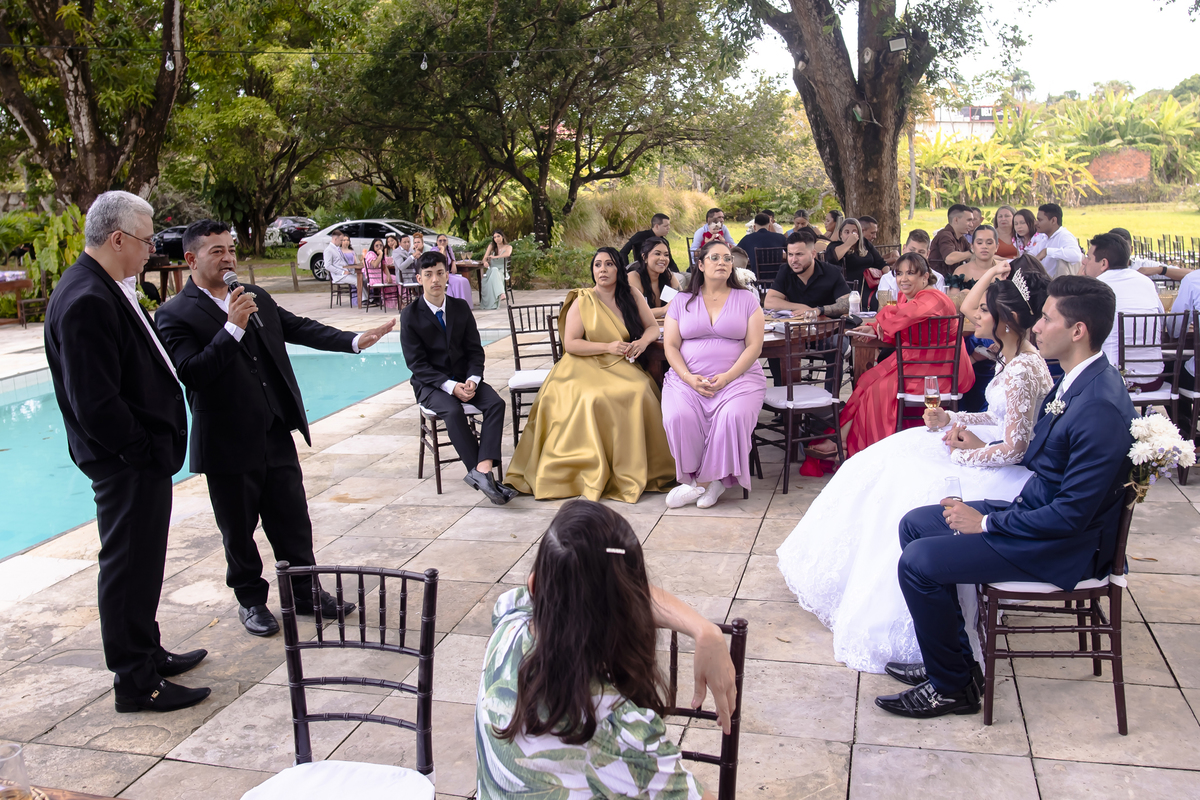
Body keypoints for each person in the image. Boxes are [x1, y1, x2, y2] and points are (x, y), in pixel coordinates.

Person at [878, 276, 1136, 718]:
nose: (1036, 327)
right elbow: (1036, 453)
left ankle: (951, 689)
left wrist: (987, 523)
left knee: (918, 563)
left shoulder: (1099, 405)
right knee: (916, 523)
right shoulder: (1078, 380)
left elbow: (1072, 515)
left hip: (1059, 547)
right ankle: (957, 667)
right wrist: (979, 447)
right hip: (1035, 517)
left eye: (1048, 318)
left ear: (1078, 331)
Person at [778, 261, 1052, 673]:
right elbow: (1000, 418)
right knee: (885, 458)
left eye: (983, 313)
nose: (974, 315)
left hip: (1006, 470)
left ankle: (918, 613)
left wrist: (965, 452)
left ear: (1006, 322)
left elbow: (1016, 447)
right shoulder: (1012, 358)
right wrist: (954, 420)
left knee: (906, 483)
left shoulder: (1025, 368)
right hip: (985, 447)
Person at [155, 220, 395, 637]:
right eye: (217, 251)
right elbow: (192, 373)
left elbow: (298, 327)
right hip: (227, 443)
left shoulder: (254, 296)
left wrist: (354, 340)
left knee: (293, 520)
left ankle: (305, 592)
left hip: (273, 430)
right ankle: (251, 601)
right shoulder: (174, 314)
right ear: (191, 259)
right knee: (238, 530)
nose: (229, 258)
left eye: (231, 249)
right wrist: (232, 327)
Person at [44, 191, 210, 713]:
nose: (151, 251)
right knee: (126, 564)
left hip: (139, 460)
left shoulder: (106, 286)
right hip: (126, 463)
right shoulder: (86, 299)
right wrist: (143, 451)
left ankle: (147, 649)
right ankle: (135, 681)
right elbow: (94, 402)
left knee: (144, 562)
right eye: (146, 240)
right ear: (117, 239)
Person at [475, 499, 736, 800]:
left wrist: (706, 632)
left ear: (534, 587)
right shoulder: (616, 732)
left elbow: (574, 585)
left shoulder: (509, 624)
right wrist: (703, 629)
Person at [506, 248, 675, 502]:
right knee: (593, 396)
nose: (603, 270)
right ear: (592, 270)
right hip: (583, 363)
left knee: (640, 390)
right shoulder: (582, 299)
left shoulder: (631, 294)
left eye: (608, 264)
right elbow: (571, 343)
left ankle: (636, 468)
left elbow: (652, 326)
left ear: (619, 268)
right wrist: (607, 346)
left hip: (621, 363)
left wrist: (641, 342)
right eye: (598, 265)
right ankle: (588, 471)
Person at [399, 250, 511, 504]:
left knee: (496, 403)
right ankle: (484, 476)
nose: (435, 280)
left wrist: (473, 378)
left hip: (464, 377)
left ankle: (482, 471)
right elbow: (416, 364)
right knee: (452, 410)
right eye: (428, 275)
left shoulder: (460, 307)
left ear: (447, 274)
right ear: (419, 278)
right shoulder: (410, 315)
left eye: (440, 273)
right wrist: (451, 387)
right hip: (431, 385)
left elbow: (474, 350)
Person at [661, 240, 766, 509]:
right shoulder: (681, 301)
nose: (723, 263)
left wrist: (728, 377)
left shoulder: (747, 299)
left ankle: (705, 484)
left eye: (728, 259)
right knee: (678, 416)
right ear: (700, 264)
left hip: (738, 380)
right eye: (715, 258)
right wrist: (687, 377)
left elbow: (754, 345)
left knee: (732, 415)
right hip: (687, 380)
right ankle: (704, 483)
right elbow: (670, 345)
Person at [838, 253, 974, 457]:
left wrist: (881, 319)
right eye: (899, 273)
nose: (903, 279)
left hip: (938, 372)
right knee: (866, 380)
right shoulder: (911, 297)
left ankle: (870, 450)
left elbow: (903, 315)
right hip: (918, 361)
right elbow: (902, 324)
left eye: (910, 273)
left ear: (925, 277)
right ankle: (844, 441)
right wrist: (875, 327)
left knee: (878, 389)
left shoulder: (934, 297)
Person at [1080, 232, 1164, 390]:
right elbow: (1163, 319)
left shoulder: (1094, 287)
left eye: (1089, 257)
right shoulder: (1146, 282)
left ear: (1104, 263)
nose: (1084, 261)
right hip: (1151, 378)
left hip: (1109, 381)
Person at [824, 218, 887, 309]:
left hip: (872, 285)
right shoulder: (835, 246)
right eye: (846, 232)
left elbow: (881, 263)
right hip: (851, 288)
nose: (850, 235)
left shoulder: (864, 244)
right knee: (876, 302)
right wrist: (849, 243)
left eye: (854, 232)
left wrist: (888, 278)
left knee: (889, 298)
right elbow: (833, 258)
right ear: (841, 234)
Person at [628, 236, 683, 319]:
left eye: (666, 255)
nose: (663, 258)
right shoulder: (633, 278)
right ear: (644, 257)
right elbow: (635, 313)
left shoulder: (668, 276)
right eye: (657, 254)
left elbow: (683, 303)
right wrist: (664, 310)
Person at [1110, 227, 1190, 282]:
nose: (1119, 253)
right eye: (1115, 249)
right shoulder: (1099, 270)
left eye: (1124, 249)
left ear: (1131, 250)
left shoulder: (1144, 266)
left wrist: (1159, 270)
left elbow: (1191, 275)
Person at [879, 230, 946, 295]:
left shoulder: (938, 279)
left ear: (928, 254)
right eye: (912, 250)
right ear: (904, 249)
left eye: (921, 252)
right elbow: (883, 305)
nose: (915, 256)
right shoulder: (887, 279)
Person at [1030, 202, 1083, 278]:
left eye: (1040, 220)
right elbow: (1031, 256)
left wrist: (1047, 251)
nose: (1036, 223)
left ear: (1053, 220)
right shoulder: (1044, 238)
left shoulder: (1064, 236)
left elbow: (1076, 255)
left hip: (1056, 286)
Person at [928, 205, 972, 279]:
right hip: (939, 283)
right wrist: (972, 252)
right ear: (956, 220)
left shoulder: (961, 238)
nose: (971, 224)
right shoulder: (944, 235)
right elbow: (950, 258)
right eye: (968, 220)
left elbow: (974, 257)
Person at [433, 233, 473, 308]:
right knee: (458, 281)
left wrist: (453, 263)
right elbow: (440, 261)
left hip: (449, 273)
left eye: (444, 240)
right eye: (440, 241)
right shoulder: (434, 250)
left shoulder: (449, 249)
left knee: (464, 280)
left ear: (447, 241)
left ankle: (466, 305)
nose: (442, 242)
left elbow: (452, 259)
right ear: (437, 242)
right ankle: (458, 306)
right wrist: (441, 250)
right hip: (440, 274)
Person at [479, 229, 512, 310]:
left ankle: (499, 296)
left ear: (502, 237)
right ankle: (501, 293)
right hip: (492, 270)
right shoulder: (491, 246)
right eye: (494, 237)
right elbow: (484, 259)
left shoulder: (508, 247)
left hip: (502, 271)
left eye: (498, 236)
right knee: (494, 270)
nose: (496, 239)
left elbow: (507, 254)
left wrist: (494, 257)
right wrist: (485, 262)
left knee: (496, 271)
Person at [323, 229, 357, 306]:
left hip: (346, 272)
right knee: (357, 280)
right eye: (341, 240)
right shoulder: (328, 250)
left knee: (363, 278)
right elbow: (327, 266)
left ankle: (368, 298)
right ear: (335, 239)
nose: (342, 242)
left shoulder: (337, 248)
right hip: (339, 275)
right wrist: (342, 272)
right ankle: (362, 300)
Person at [363, 237, 398, 310]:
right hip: (373, 278)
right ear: (373, 246)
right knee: (398, 281)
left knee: (397, 279)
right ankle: (398, 301)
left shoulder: (381, 256)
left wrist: (388, 276)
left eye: (381, 245)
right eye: (377, 245)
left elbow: (384, 267)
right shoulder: (370, 254)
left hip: (381, 276)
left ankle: (395, 302)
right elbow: (375, 264)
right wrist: (381, 254)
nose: (379, 247)